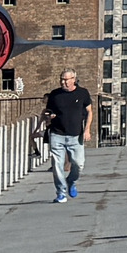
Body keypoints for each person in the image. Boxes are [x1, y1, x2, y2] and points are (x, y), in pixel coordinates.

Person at [40, 69, 94, 203]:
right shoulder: (55, 94)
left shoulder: (83, 93)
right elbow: (48, 112)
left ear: (73, 79)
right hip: (57, 134)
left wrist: (87, 130)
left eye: (66, 80)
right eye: (61, 79)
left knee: (79, 164)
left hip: (76, 135)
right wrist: (49, 116)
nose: (63, 82)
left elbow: (89, 111)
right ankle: (61, 192)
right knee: (57, 164)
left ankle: (71, 181)